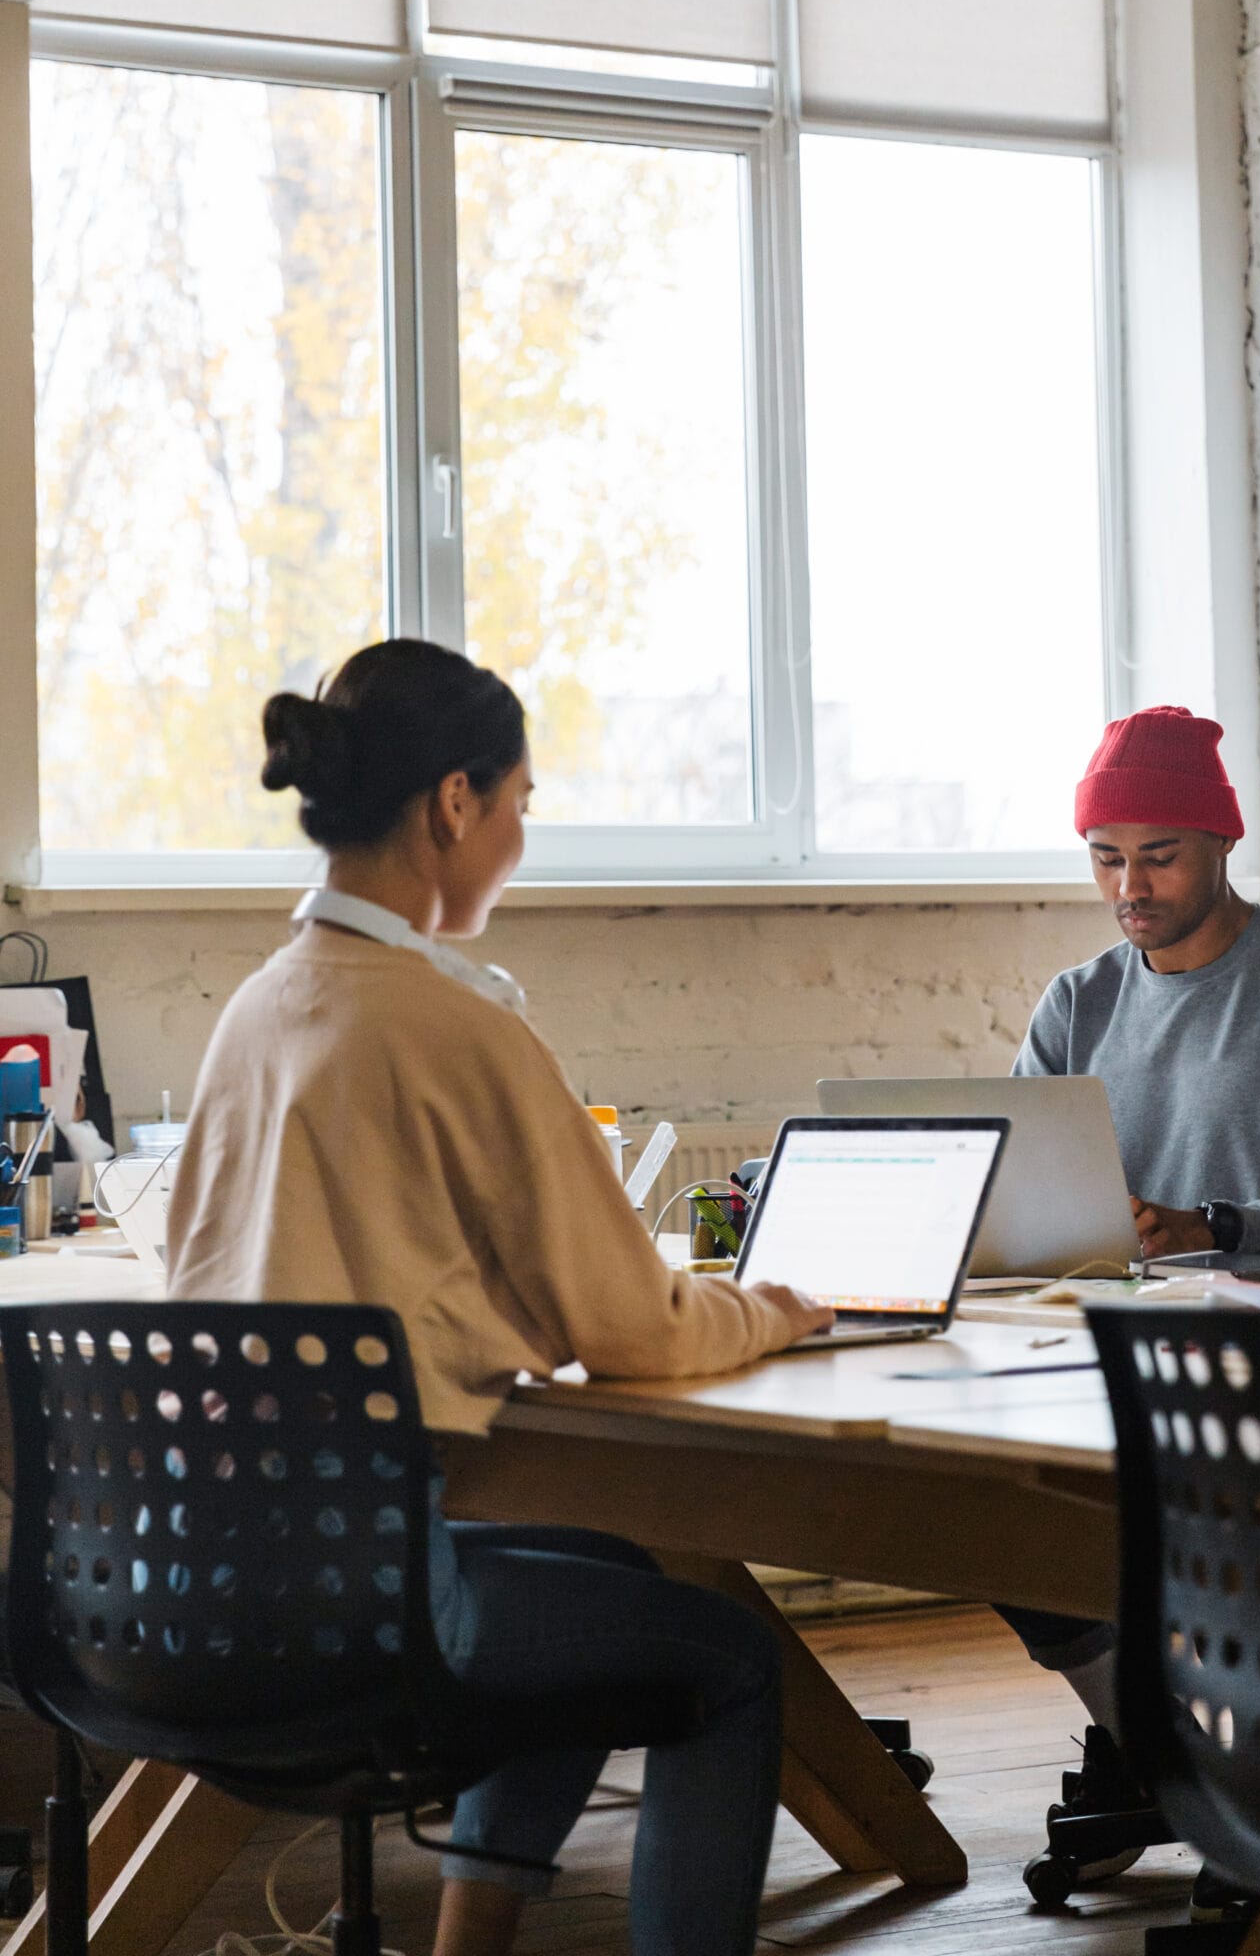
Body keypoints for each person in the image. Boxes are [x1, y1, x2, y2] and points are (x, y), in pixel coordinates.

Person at [166, 639, 830, 1956]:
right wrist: (779, 1312)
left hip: (190, 1587)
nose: (520, 844)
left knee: (603, 1575)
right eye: (519, 808)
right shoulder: (452, 1025)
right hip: (364, 1615)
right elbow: (634, 1331)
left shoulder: (255, 1009)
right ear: (454, 804)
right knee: (724, 1662)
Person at [1001, 704, 1260, 1911]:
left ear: (1222, 844)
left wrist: (1211, 1224)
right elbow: (1023, 1180)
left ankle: (1215, 1777)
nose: (1129, 884)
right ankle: (1175, 1752)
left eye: (1159, 854)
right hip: (1099, 1356)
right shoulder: (1077, 1002)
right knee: (989, 1514)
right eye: (1105, 855)